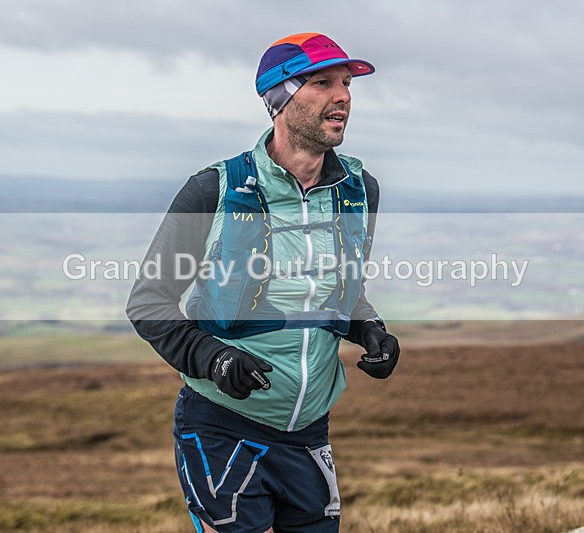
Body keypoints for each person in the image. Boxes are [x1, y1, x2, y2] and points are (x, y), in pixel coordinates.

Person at [126, 32, 400, 533]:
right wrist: (213, 357)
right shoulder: (215, 189)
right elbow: (149, 301)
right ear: (280, 98)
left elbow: (343, 290)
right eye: (323, 83)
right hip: (221, 426)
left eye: (346, 83)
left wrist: (370, 330)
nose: (344, 96)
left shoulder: (359, 191)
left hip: (309, 430)